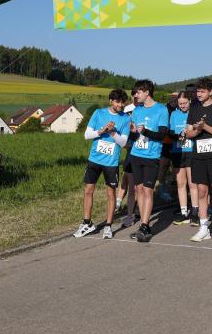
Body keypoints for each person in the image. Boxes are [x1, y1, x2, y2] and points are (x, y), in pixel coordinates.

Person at [73, 89, 131, 239]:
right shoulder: (98, 113)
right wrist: (102, 130)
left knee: (110, 193)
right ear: (111, 101)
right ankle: (87, 223)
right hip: (94, 159)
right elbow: (87, 135)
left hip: (111, 163)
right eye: (118, 102)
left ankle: (108, 226)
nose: (120, 105)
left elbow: (123, 142)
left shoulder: (125, 118)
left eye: (122, 102)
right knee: (88, 190)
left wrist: (112, 133)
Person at [185, 78, 212, 243]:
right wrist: (197, 130)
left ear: (210, 92)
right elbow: (188, 133)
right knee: (202, 192)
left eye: (202, 91)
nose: (199, 94)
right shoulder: (194, 108)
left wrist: (205, 127)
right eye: (198, 91)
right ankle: (204, 228)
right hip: (198, 155)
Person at [127, 80, 170, 242]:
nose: (135, 95)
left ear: (146, 92)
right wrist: (133, 132)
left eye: (137, 92)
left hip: (152, 156)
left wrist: (145, 131)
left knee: (148, 190)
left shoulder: (161, 109)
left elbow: (162, 135)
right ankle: (142, 225)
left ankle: (145, 225)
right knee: (139, 190)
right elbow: (134, 136)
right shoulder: (137, 111)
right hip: (136, 154)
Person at [169, 91, 199, 226]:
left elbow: (198, 131)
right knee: (181, 183)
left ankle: (195, 213)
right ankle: (183, 212)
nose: (182, 106)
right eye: (180, 104)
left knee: (193, 183)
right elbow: (170, 132)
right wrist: (178, 136)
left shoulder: (194, 113)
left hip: (191, 150)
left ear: (190, 101)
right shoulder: (174, 114)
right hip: (177, 150)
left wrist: (189, 134)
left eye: (185, 103)